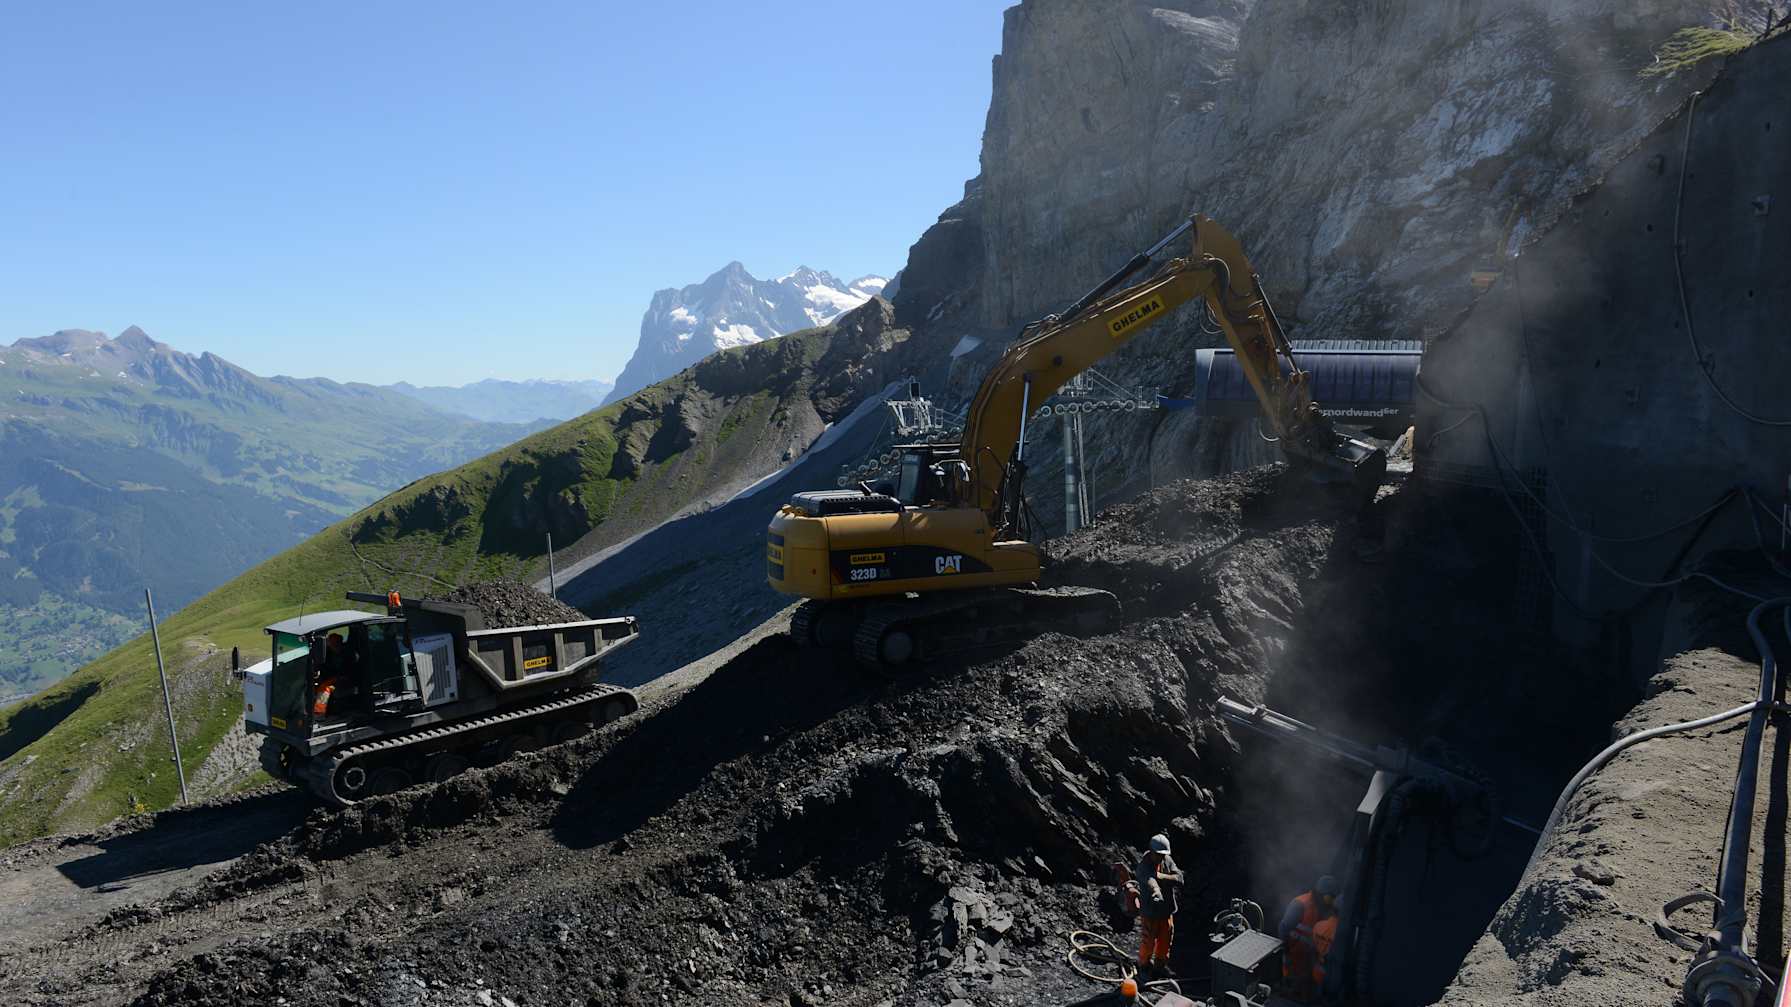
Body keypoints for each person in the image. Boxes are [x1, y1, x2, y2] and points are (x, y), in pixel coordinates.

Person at [1278, 875, 1339, 1002]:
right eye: (1328, 899)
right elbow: (1283, 929)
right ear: (1320, 894)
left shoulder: (1325, 910)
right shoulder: (1300, 905)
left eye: (1332, 900)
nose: (1330, 903)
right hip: (1293, 962)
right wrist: (1286, 953)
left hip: (1308, 966)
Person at [1134, 833, 1183, 976]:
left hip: (1166, 911)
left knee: (1165, 939)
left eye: (1163, 855)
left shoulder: (1167, 860)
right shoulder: (1143, 866)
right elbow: (1150, 880)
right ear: (1151, 851)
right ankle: (1144, 966)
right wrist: (1156, 890)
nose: (1161, 857)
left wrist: (1162, 876)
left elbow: (1179, 878)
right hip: (1150, 913)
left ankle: (1159, 966)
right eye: (1159, 855)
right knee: (1148, 941)